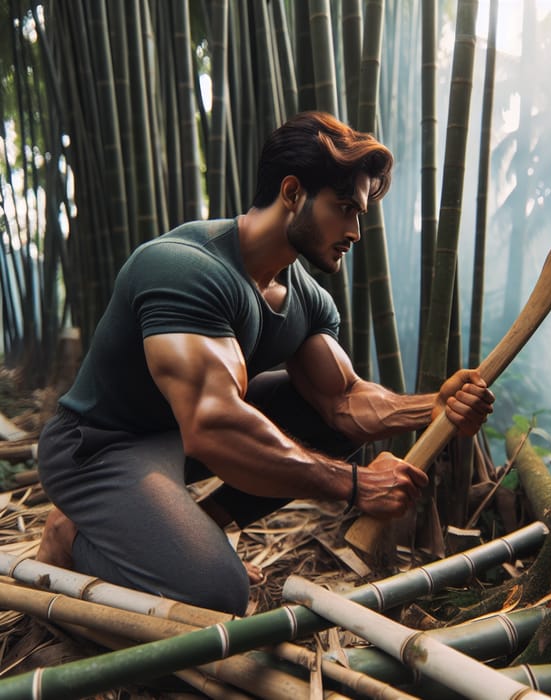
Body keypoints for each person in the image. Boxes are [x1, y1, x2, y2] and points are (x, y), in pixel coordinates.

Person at [37, 111, 495, 615]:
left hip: (178, 437)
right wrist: (355, 485)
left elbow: (345, 401)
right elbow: (214, 427)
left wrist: (435, 408)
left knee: (331, 423)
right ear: (293, 192)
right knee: (217, 595)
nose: (355, 232)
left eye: (360, 213)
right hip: (102, 447)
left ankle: (200, 526)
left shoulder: (306, 298)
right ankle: (73, 534)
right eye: (344, 208)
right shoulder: (186, 269)